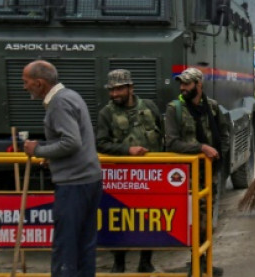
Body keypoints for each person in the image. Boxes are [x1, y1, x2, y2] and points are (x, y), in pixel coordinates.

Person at [22, 60, 103, 277]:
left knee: (66, 246)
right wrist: (51, 155)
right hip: (88, 179)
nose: (24, 86)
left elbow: (71, 142)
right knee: (84, 244)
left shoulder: (59, 103)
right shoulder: (71, 95)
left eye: (26, 82)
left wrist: (37, 149)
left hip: (73, 184)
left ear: (39, 83)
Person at [95, 69, 164, 273]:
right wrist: (127, 150)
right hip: (121, 177)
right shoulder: (106, 114)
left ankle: (145, 260)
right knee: (119, 219)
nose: (114, 94)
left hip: (150, 175)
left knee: (149, 218)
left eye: (119, 89)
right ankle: (119, 263)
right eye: (112, 90)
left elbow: (162, 136)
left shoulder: (149, 107)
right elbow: (101, 143)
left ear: (130, 88)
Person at [164, 67, 229, 276]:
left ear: (199, 85)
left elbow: (223, 135)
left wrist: (220, 157)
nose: (183, 88)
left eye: (187, 84)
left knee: (207, 221)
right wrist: (201, 148)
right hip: (187, 176)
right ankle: (194, 262)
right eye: (181, 84)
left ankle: (204, 261)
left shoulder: (212, 107)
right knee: (192, 221)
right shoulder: (175, 109)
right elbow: (172, 142)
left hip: (209, 174)